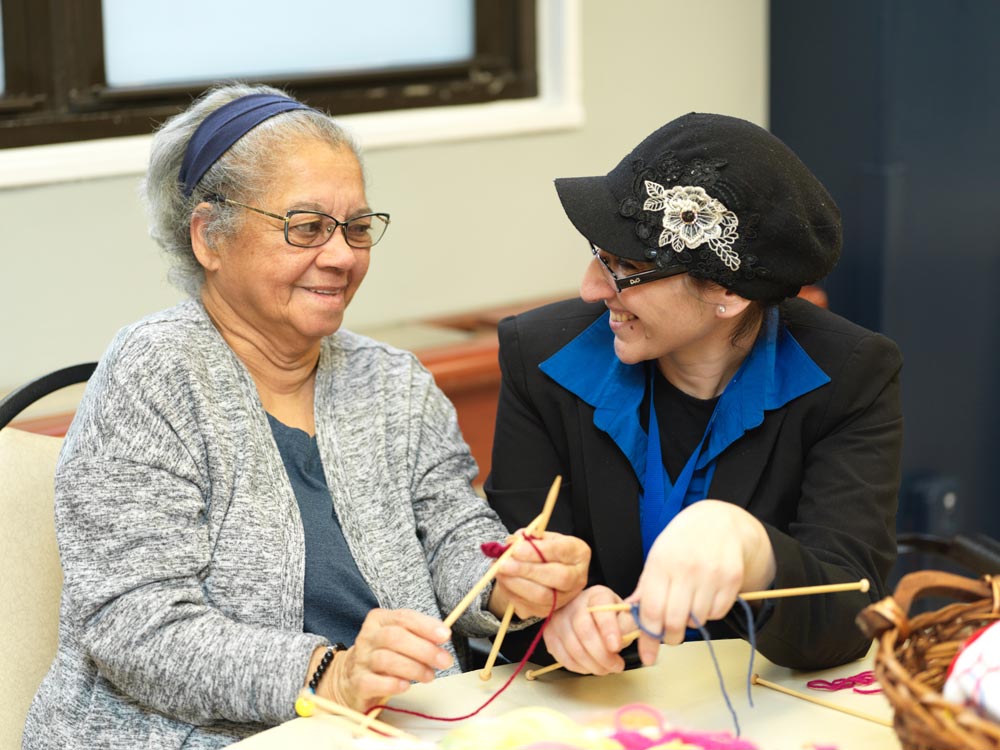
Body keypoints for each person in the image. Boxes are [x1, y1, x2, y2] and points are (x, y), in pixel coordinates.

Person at [23, 83, 590, 749]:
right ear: (210, 236)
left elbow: (453, 536)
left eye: (356, 228)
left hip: (396, 726)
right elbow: (135, 624)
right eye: (307, 227)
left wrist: (509, 582)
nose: (343, 256)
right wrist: (328, 674)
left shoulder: (393, 382)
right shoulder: (155, 375)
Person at [485, 112, 902, 675]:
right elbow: (512, 568)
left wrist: (757, 553)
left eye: (626, 267)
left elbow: (850, 619)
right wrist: (551, 610)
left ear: (726, 292)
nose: (589, 288)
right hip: (592, 711)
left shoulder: (849, 376)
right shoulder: (540, 357)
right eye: (597, 254)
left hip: (758, 712)